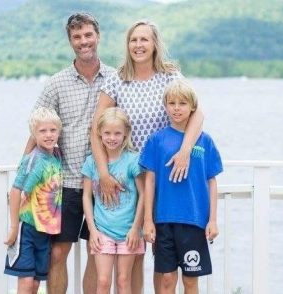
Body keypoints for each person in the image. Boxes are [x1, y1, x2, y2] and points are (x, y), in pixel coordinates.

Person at [90, 20, 204, 292]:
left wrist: (185, 150)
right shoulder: (117, 79)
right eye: (134, 40)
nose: (138, 45)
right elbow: (95, 129)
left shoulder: (170, 75)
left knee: (160, 253)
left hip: (165, 175)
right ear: (127, 45)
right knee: (134, 251)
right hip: (130, 178)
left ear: (155, 45)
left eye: (144, 40)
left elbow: (197, 112)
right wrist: (104, 173)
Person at [24, 12, 115, 294]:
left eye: (88, 35)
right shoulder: (56, 83)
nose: (83, 41)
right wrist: (23, 175)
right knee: (58, 254)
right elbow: (37, 130)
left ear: (97, 37)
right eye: (77, 37)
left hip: (105, 184)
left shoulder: (115, 78)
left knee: (96, 253)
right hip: (65, 184)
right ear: (70, 41)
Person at [140, 78, 223, 294]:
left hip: (194, 221)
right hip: (164, 221)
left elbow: (211, 181)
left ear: (192, 107)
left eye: (183, 103)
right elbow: (150, 180)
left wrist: (213, 220)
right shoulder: (156, 140)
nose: (177, 108)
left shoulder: (205, 142)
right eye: (172, 103)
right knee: (167, 280)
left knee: (190, 281)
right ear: (165, 105)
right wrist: (148, 220)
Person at [82, 107, 145, 294]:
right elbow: (86, 196)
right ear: (99, 133)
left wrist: (136, 228)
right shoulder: (92, 162)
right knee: (102, 281)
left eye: (117, 133)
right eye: (107, 133)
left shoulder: (133, 160)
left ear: (125, 134)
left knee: (124, 280)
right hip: (102, 231)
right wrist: (92, 230)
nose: (112, 137)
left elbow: (143, 195)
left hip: (129, 232)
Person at [4, 107, 63, 294]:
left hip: (45, 231)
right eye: (42, 131)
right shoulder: (33, 159)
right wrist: (14, 228)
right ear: (33, 135)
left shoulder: (56, 157)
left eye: (53, 130)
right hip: (28, 228)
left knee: (37, 284)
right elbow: (15, 190)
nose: (48, 135)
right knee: (26, 282)